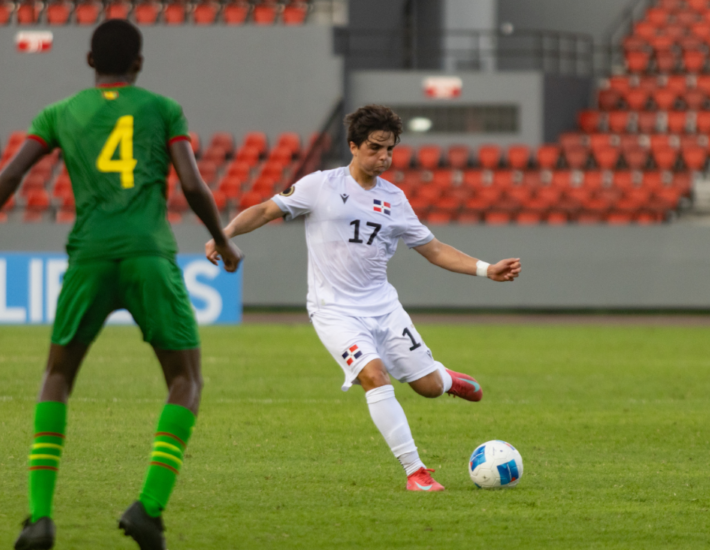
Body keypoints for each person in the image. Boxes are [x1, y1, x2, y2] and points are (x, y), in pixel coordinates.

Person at [0, 20, 242, 550]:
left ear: (88, 61)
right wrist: (224, 240)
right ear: (139, 62)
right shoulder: (162, 108)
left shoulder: (59, 113)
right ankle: (148, 507)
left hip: (90, 256)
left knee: (57, 375)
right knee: (186, 380)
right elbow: (192, 183)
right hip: (149, 255)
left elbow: (9, 176)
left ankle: (39, 518)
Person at [205, 105, 521, 491]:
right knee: (374, 375)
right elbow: (266, 209)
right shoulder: (319, 185)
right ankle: (415, 471)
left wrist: (486, 269)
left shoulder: (395, 199)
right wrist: (227, 235)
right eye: (375, 148)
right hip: (334, 311)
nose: (383, 157)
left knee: (425, 386)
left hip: (384, 309)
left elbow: (433, 249)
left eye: (389, 150)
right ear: (354, 146)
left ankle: (443, 378)